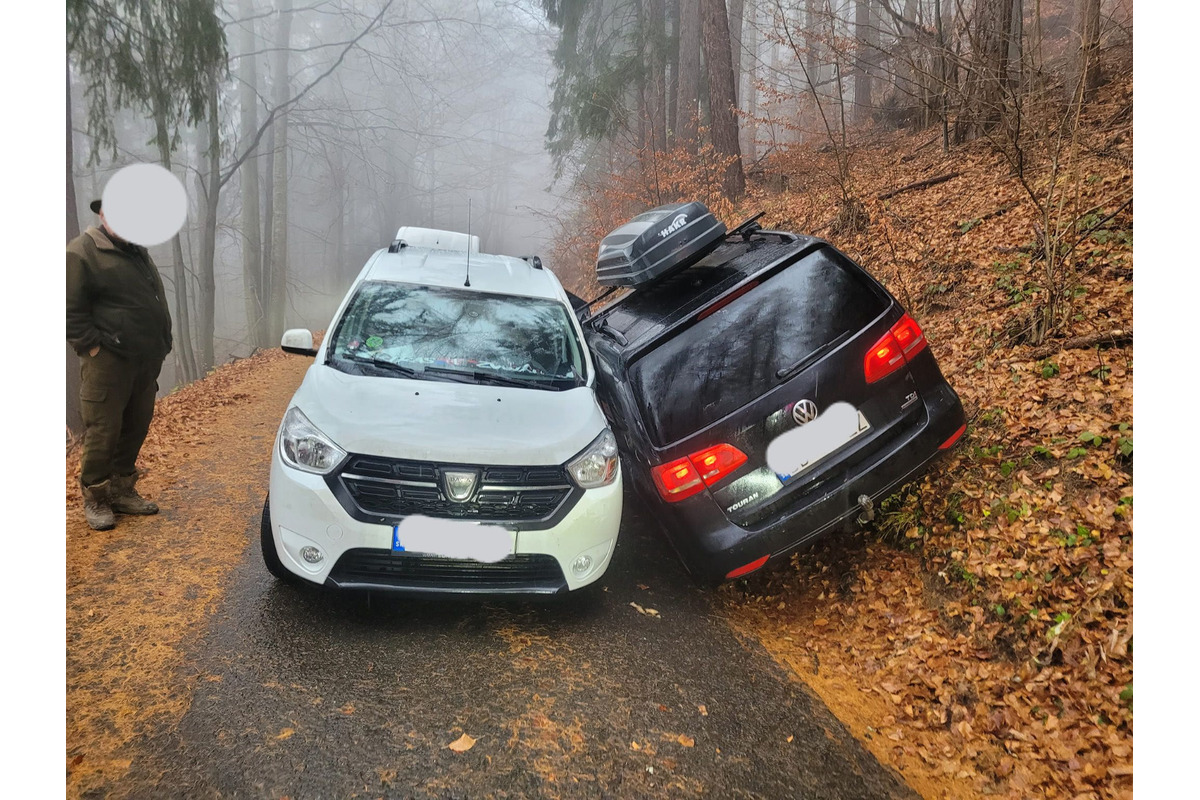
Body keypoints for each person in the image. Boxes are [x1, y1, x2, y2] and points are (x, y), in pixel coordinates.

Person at [67, 199, 173, 530]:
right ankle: (97, 498)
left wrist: (163, 341)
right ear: (102, 215)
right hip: (107, 363)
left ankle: (122, 491)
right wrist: (92, 347)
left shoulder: (137, 251)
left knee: (135, 426)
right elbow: (68, 308)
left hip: (144, 360)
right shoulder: (82, 252)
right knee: (104, 430)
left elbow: (152, 298)